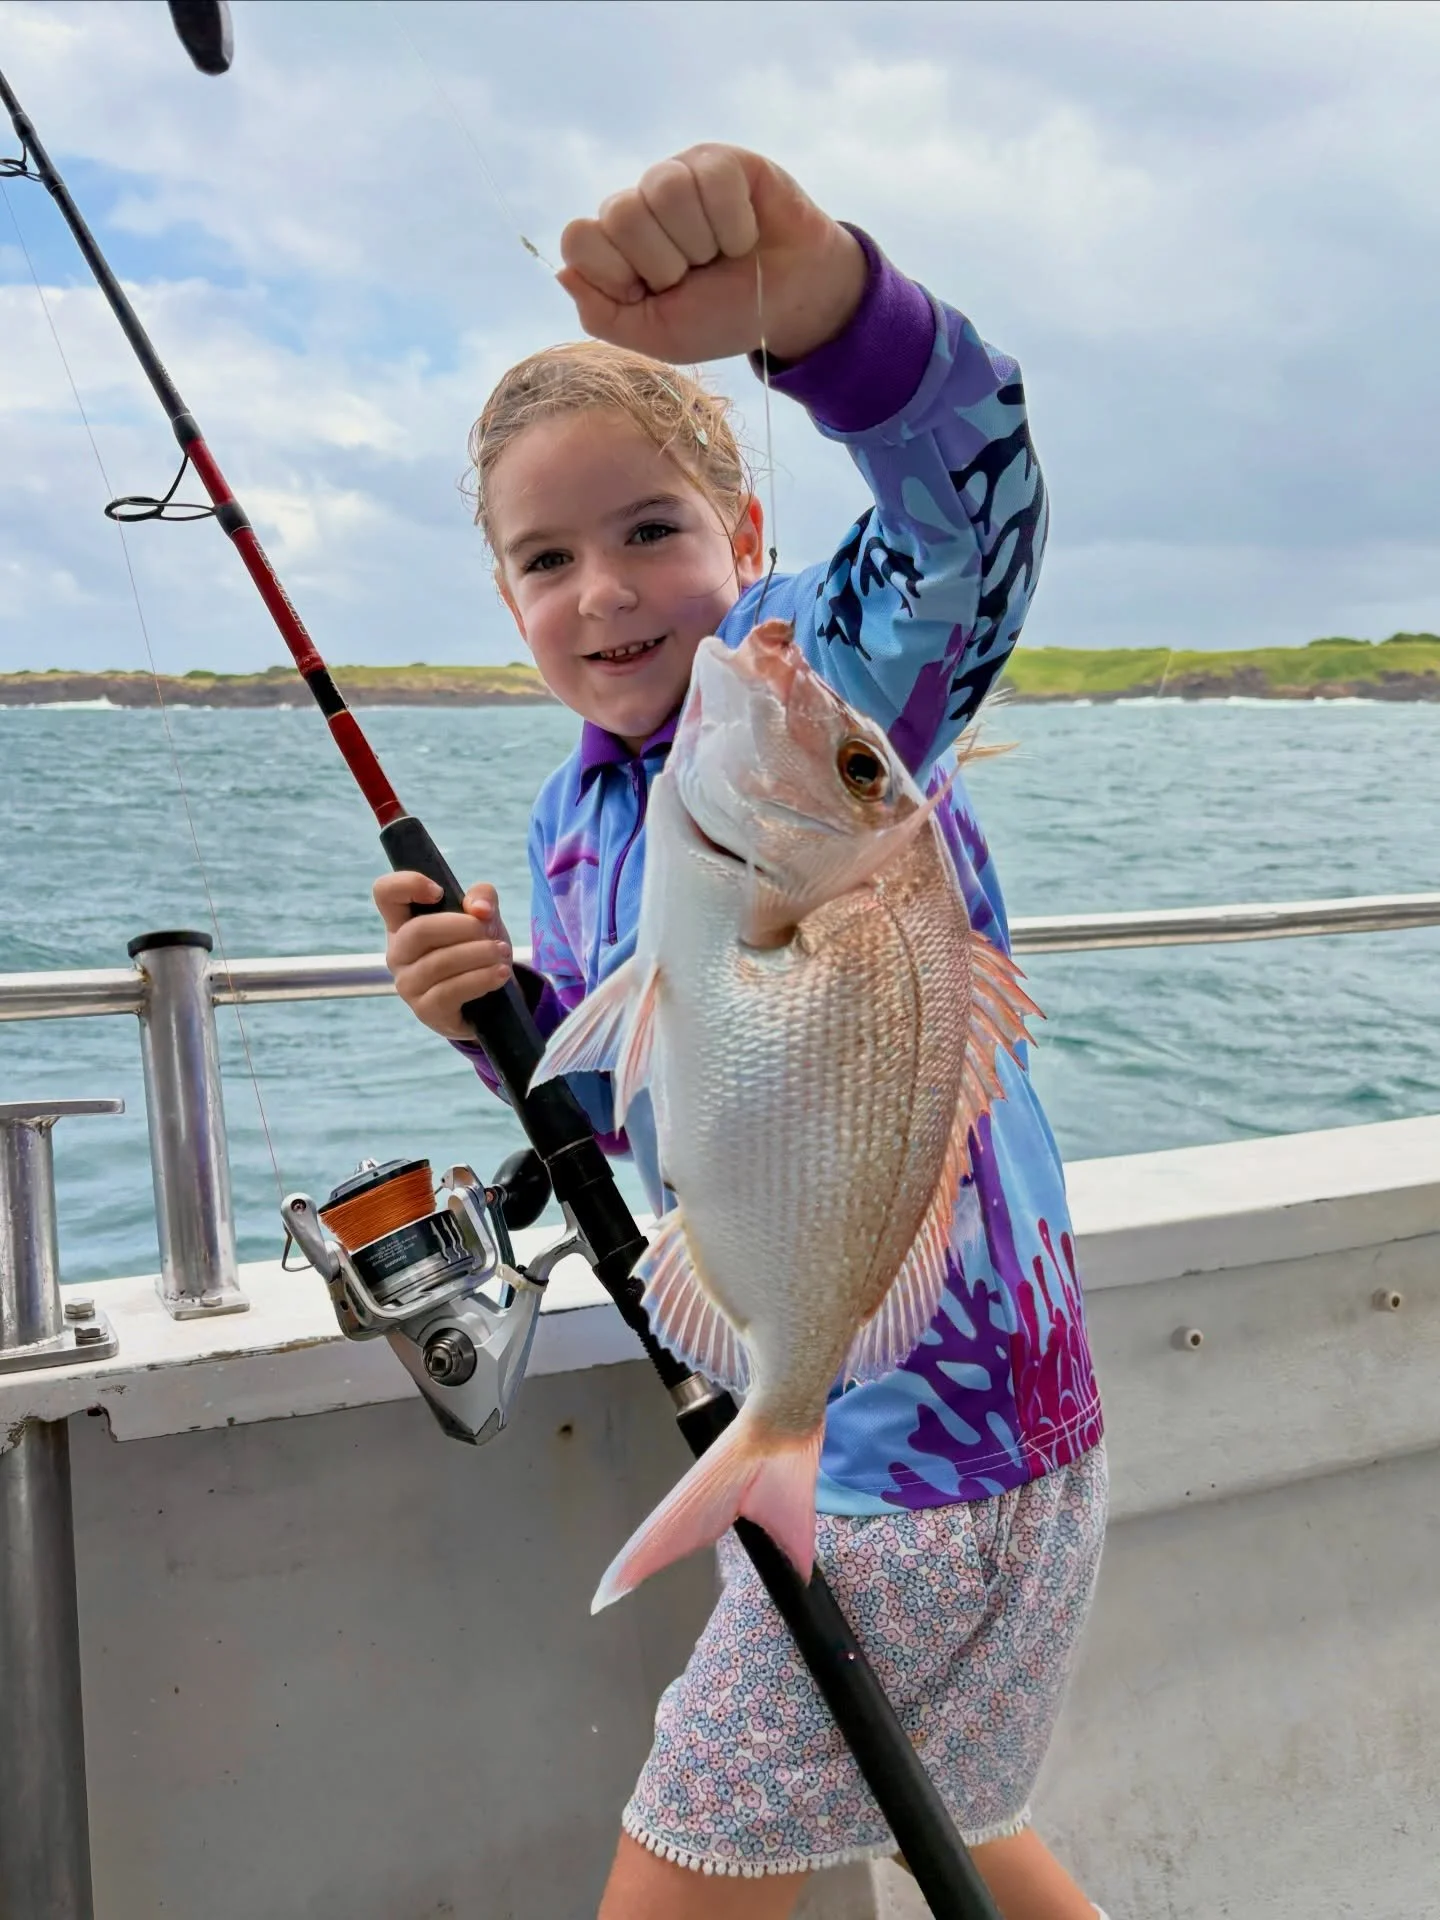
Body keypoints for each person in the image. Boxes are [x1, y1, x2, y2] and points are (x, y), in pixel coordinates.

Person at [375, 144, 1109, 1920]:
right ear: (504, 603)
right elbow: (659, 1104)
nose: (606, 593)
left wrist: (827, 314)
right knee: (949, 1820)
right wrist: (504, 1021)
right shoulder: (576, 817)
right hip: (882, 1427)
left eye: (652, 532)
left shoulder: (806, 702)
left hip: (927, 1462)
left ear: (749, 538)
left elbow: (963, 523)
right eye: (546, 559)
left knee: (693, 1864)